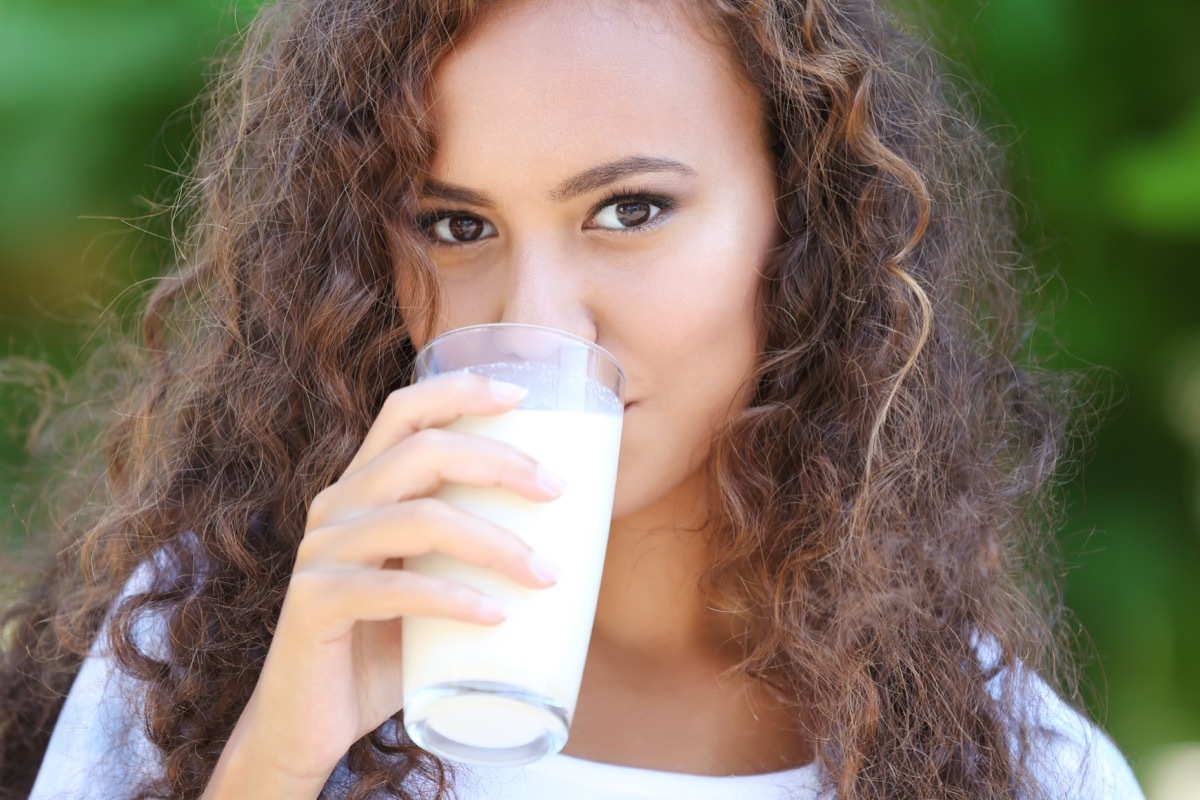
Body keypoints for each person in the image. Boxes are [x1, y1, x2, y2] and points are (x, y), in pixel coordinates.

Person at [0, 0, 1146, 797]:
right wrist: (271, 761)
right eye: (457, 226)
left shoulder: (1027, 767)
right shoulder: (214, 633)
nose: (538, 324)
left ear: (806, 225)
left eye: (630, 210)